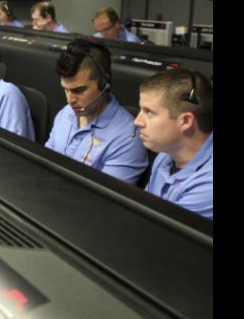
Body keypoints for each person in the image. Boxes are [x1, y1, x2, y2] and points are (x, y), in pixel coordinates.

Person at [45, 38, 148, 183]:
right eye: (66, 90)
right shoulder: (64, 113)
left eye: (79, 90)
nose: (70, 100)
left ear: (104, 83)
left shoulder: (127, 138)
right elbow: (45, 166)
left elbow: (105, 195)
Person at [134, 69, 213, 219]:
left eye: (149, 112)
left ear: (186, 121)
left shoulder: (208, 186)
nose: (137, 121)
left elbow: (156, 230)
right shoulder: (167, 154)